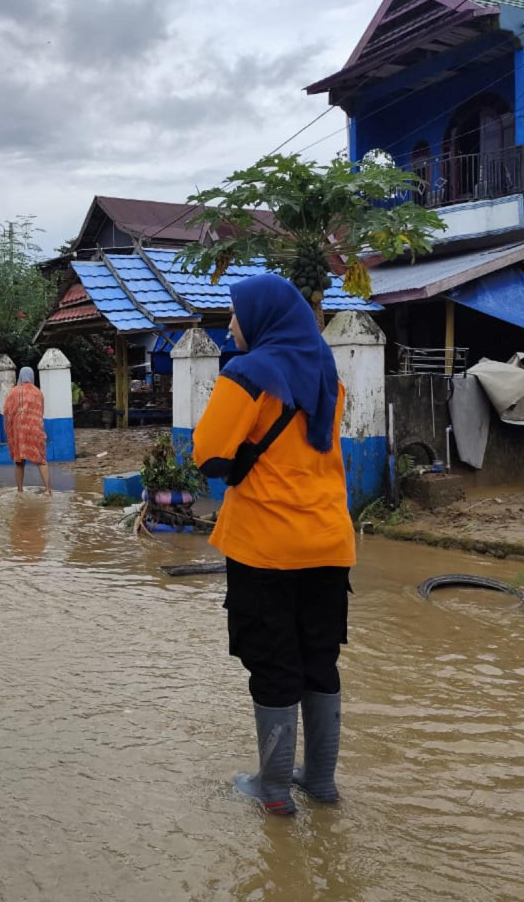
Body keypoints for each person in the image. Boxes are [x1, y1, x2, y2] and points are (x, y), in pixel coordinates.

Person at [192, 274, 356, 816]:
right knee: (319, 659)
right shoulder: (328, 373)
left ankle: (275, 789)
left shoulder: (247, 372)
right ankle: (323, 782)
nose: (231, 324)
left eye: (237, 314)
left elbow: (209, 454)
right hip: (330, 542)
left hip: (266, 546)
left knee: (273, 663)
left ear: (262, 319)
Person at [3, 366, 51, 495]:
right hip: (35, 430)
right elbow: (40, 412)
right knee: (41, 460)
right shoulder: (38, 392)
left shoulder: (13, 392)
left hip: (19, 432)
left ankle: (19, 490)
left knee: (19, 462)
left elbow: (7, 411)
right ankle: (48, 489)